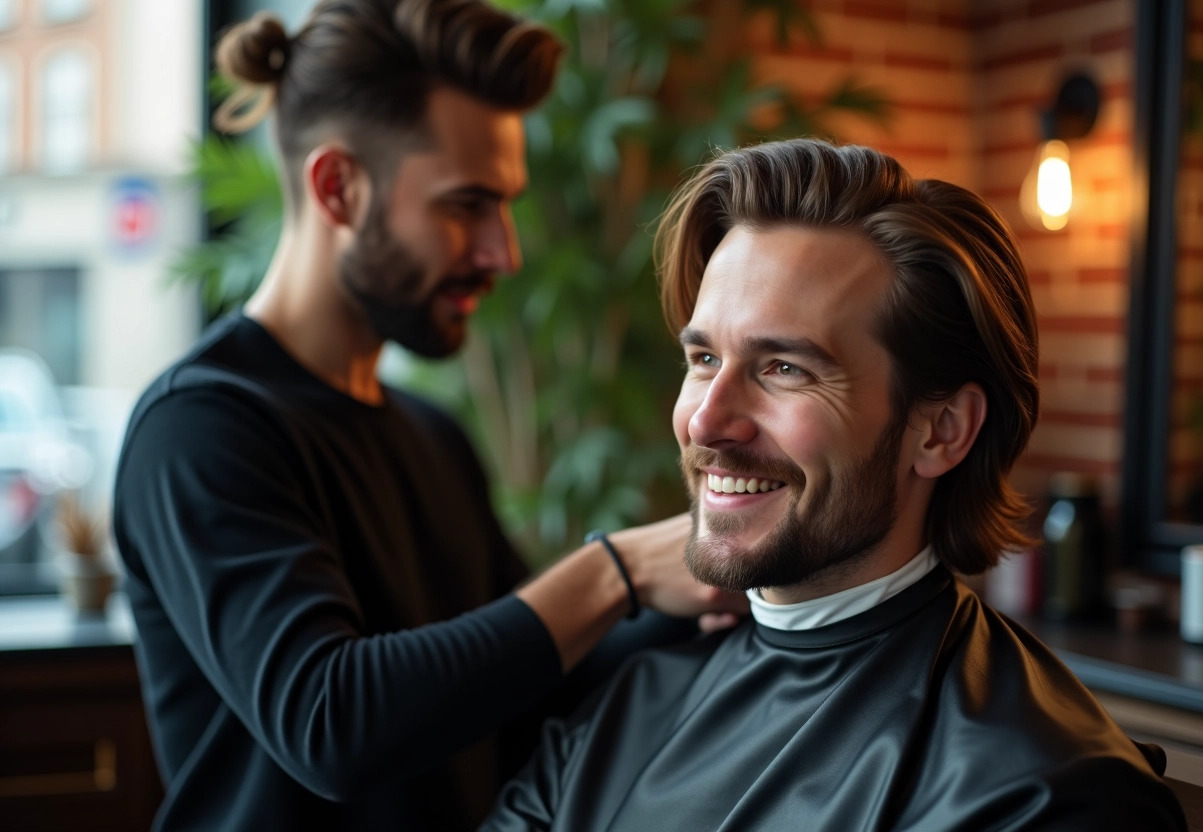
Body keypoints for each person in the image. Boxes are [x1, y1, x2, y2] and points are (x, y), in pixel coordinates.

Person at [111, 2, 745, 830]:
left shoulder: (431, 434)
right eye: (466, 205)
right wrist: (615, 574)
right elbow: (332, 723)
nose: (503, 252)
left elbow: (519, 697)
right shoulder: (201, 428)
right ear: (338, 186)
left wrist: (710, 592)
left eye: (505, 207)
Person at [480, 138, 1188, 831]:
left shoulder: (1043, 796)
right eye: (703, 357)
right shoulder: (628, 706)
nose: (705, 419)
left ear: (941, 429)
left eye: (784, 368)